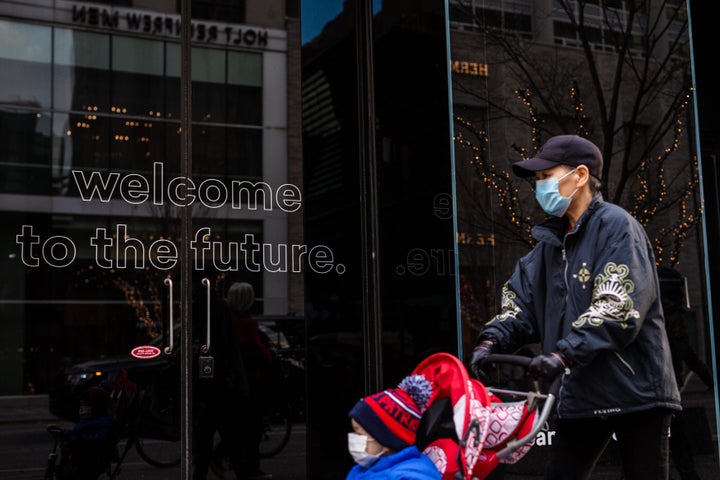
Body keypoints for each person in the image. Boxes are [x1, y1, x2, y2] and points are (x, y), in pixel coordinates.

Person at [468, 135, 682, 479]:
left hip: (636, 393)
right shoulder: (546, 248)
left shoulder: (617, 227)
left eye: (545, 177)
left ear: (580, 175)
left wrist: (562, 354)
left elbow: (617, 307)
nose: (539, 187)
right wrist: (490, 342)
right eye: (537, 181)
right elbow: (519, 305)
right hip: (580, 392)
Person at [191, 273, 257, 480]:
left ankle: (202, 472)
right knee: (231, 435)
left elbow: (214, 347)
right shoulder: (218, 308)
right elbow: (226, 348)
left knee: (208, 437)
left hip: (211, 383)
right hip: (220, 384)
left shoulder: (204, 308)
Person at [657, 266, 713, 480]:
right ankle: (688, 473)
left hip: (659, 378)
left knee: (662, 434)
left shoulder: (661, 310)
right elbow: (685, 350)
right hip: (667, 378)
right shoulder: (670, 311)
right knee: (674, 433)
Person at [345, 374, 440, 480]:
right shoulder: (361, 469)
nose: (353, 439)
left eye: (359, 434)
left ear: (386, 441)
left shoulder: (412, 475)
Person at [224, 281, 274, 480]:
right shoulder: (247, 323)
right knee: (253, 427)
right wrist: (269, 355)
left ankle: (241, 466)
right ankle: (250, 469)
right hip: (250, 379)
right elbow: (256, 351)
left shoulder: (228, 321)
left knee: (240, 427)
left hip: (234, 380)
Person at [56, 386, 118, 480]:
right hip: (79, 457)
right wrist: (67, 433)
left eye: (86, 406)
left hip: (90, 461)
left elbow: (95, 440)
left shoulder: (104, 424)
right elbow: (78, 434)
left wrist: (71, 437)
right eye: (81, 405)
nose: (82, 409)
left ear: (97, 407)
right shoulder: (86, 421)